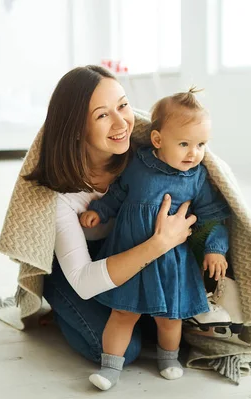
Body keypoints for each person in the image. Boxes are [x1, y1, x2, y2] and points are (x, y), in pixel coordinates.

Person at [23, 65, 197, 381]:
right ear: (77, 128)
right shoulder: (60, 195)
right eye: (103, 115)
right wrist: (159, 243)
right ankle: (62, 310)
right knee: (125, 350)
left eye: (123, 105)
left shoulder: (149, 157)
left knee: (172, 321)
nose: (121, 123)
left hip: (128, 254)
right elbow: (85, 279)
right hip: (74, 270)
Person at [79, 88, 230, 390]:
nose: (194, 153)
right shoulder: (139, 165)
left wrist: (215, 248)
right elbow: (119, 193)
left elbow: (213, 215)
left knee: (169, 317)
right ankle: (110, 367)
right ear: (158, 140)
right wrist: (100, 210)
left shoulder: (196, 177)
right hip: (129, 254)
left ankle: (168, 357)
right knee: (123, 313)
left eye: (201, 144)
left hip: (171, 263)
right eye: (184, 144)